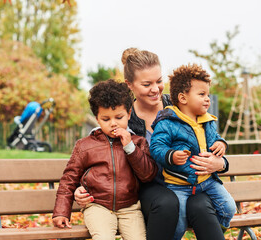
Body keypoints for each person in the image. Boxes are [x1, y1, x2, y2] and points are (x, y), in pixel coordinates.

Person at [75, 48, 229, 240]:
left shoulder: (180, 105)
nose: (155, 89)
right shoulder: (123, 119)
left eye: (159, 81)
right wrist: (80, 189)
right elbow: (96, 154)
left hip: (190, 183)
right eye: (147, 84)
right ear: (129, 85)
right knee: (167, 202)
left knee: (200, 206)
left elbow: (212, 139)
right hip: (147, 189)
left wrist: (220, 163)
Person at [52, 79, 158, 240]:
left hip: (130, 207)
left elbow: (148, 174)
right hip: (97, 206)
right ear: (97, 118)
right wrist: (61, 212)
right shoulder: (85, 145)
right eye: (106, 119)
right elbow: (69, 179)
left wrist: (129, 147)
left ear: (129, 113)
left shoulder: (138, 142)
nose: (113, 123)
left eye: (119, 117)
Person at [150, 63, 236, 240]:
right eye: (202, 94)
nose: (207, 99)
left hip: (207, 182)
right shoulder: (167, 122)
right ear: (183, 98)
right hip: (178, 185)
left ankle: (219, 229)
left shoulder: (207, 121)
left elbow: (215, 138)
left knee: (229, 207)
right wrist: (171, 156)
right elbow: (157, 147)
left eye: (208, 94)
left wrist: (221, 144)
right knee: (179, 222)